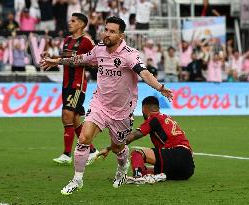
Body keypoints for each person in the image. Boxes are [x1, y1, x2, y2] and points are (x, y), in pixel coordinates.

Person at [40, 16, 173, 195]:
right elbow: (79, 59)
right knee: (84, 138)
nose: (107, 34)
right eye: (106, 30)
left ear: (121, 35)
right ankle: (77, 180)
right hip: (100, 104)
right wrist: (56, 61)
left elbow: (144, 73)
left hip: (122, 111)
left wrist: (160, 87)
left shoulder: (129, 54)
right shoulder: (99, 49)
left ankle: (121, 169)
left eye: (112, 31)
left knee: (118, 147)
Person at [41, 13, 99, 165]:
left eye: (73, 21)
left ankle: (66, 154)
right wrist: (52, 57)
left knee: (66, 114)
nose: (70, 23)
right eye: (70, 20)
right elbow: (65, 58)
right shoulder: (67, 40)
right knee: (73, 120)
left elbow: (96, 59)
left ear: (81, 24)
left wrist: (87, 63)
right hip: (66, 83)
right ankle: (92, 150)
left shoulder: (86, 42)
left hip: (77, 84)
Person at [98, 96, 195, 183]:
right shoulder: (166, 118)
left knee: (137, 154)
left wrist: (109, 148)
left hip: (176, 153)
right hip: (188, 167)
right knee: (146, 169)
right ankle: (159, 176)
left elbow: (131, 138)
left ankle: (137, 177)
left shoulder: (153, 119)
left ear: (144, 108)